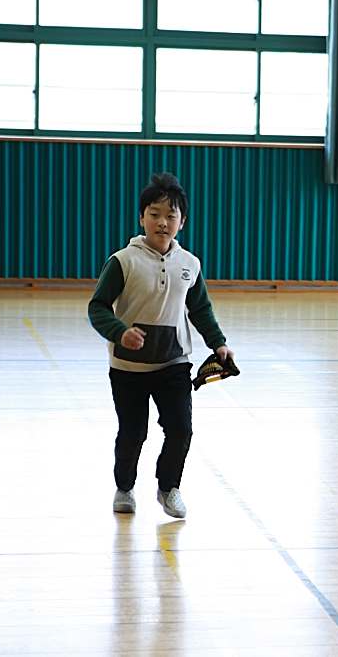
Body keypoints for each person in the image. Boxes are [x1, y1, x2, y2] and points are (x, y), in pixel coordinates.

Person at [88, 172, 234, 519]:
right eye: (154, 214)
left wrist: (219, 343)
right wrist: (118, 331)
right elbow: (97, 307)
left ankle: (169, 488)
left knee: (181, 428)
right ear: (142, 218)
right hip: (128, 368)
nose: (162, 222)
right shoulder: (123, 260)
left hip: (174, 363)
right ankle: (124, 487)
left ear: (182, 222)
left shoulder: (190, 264)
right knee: (133, 434)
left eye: (171, 215)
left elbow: (200, 309)